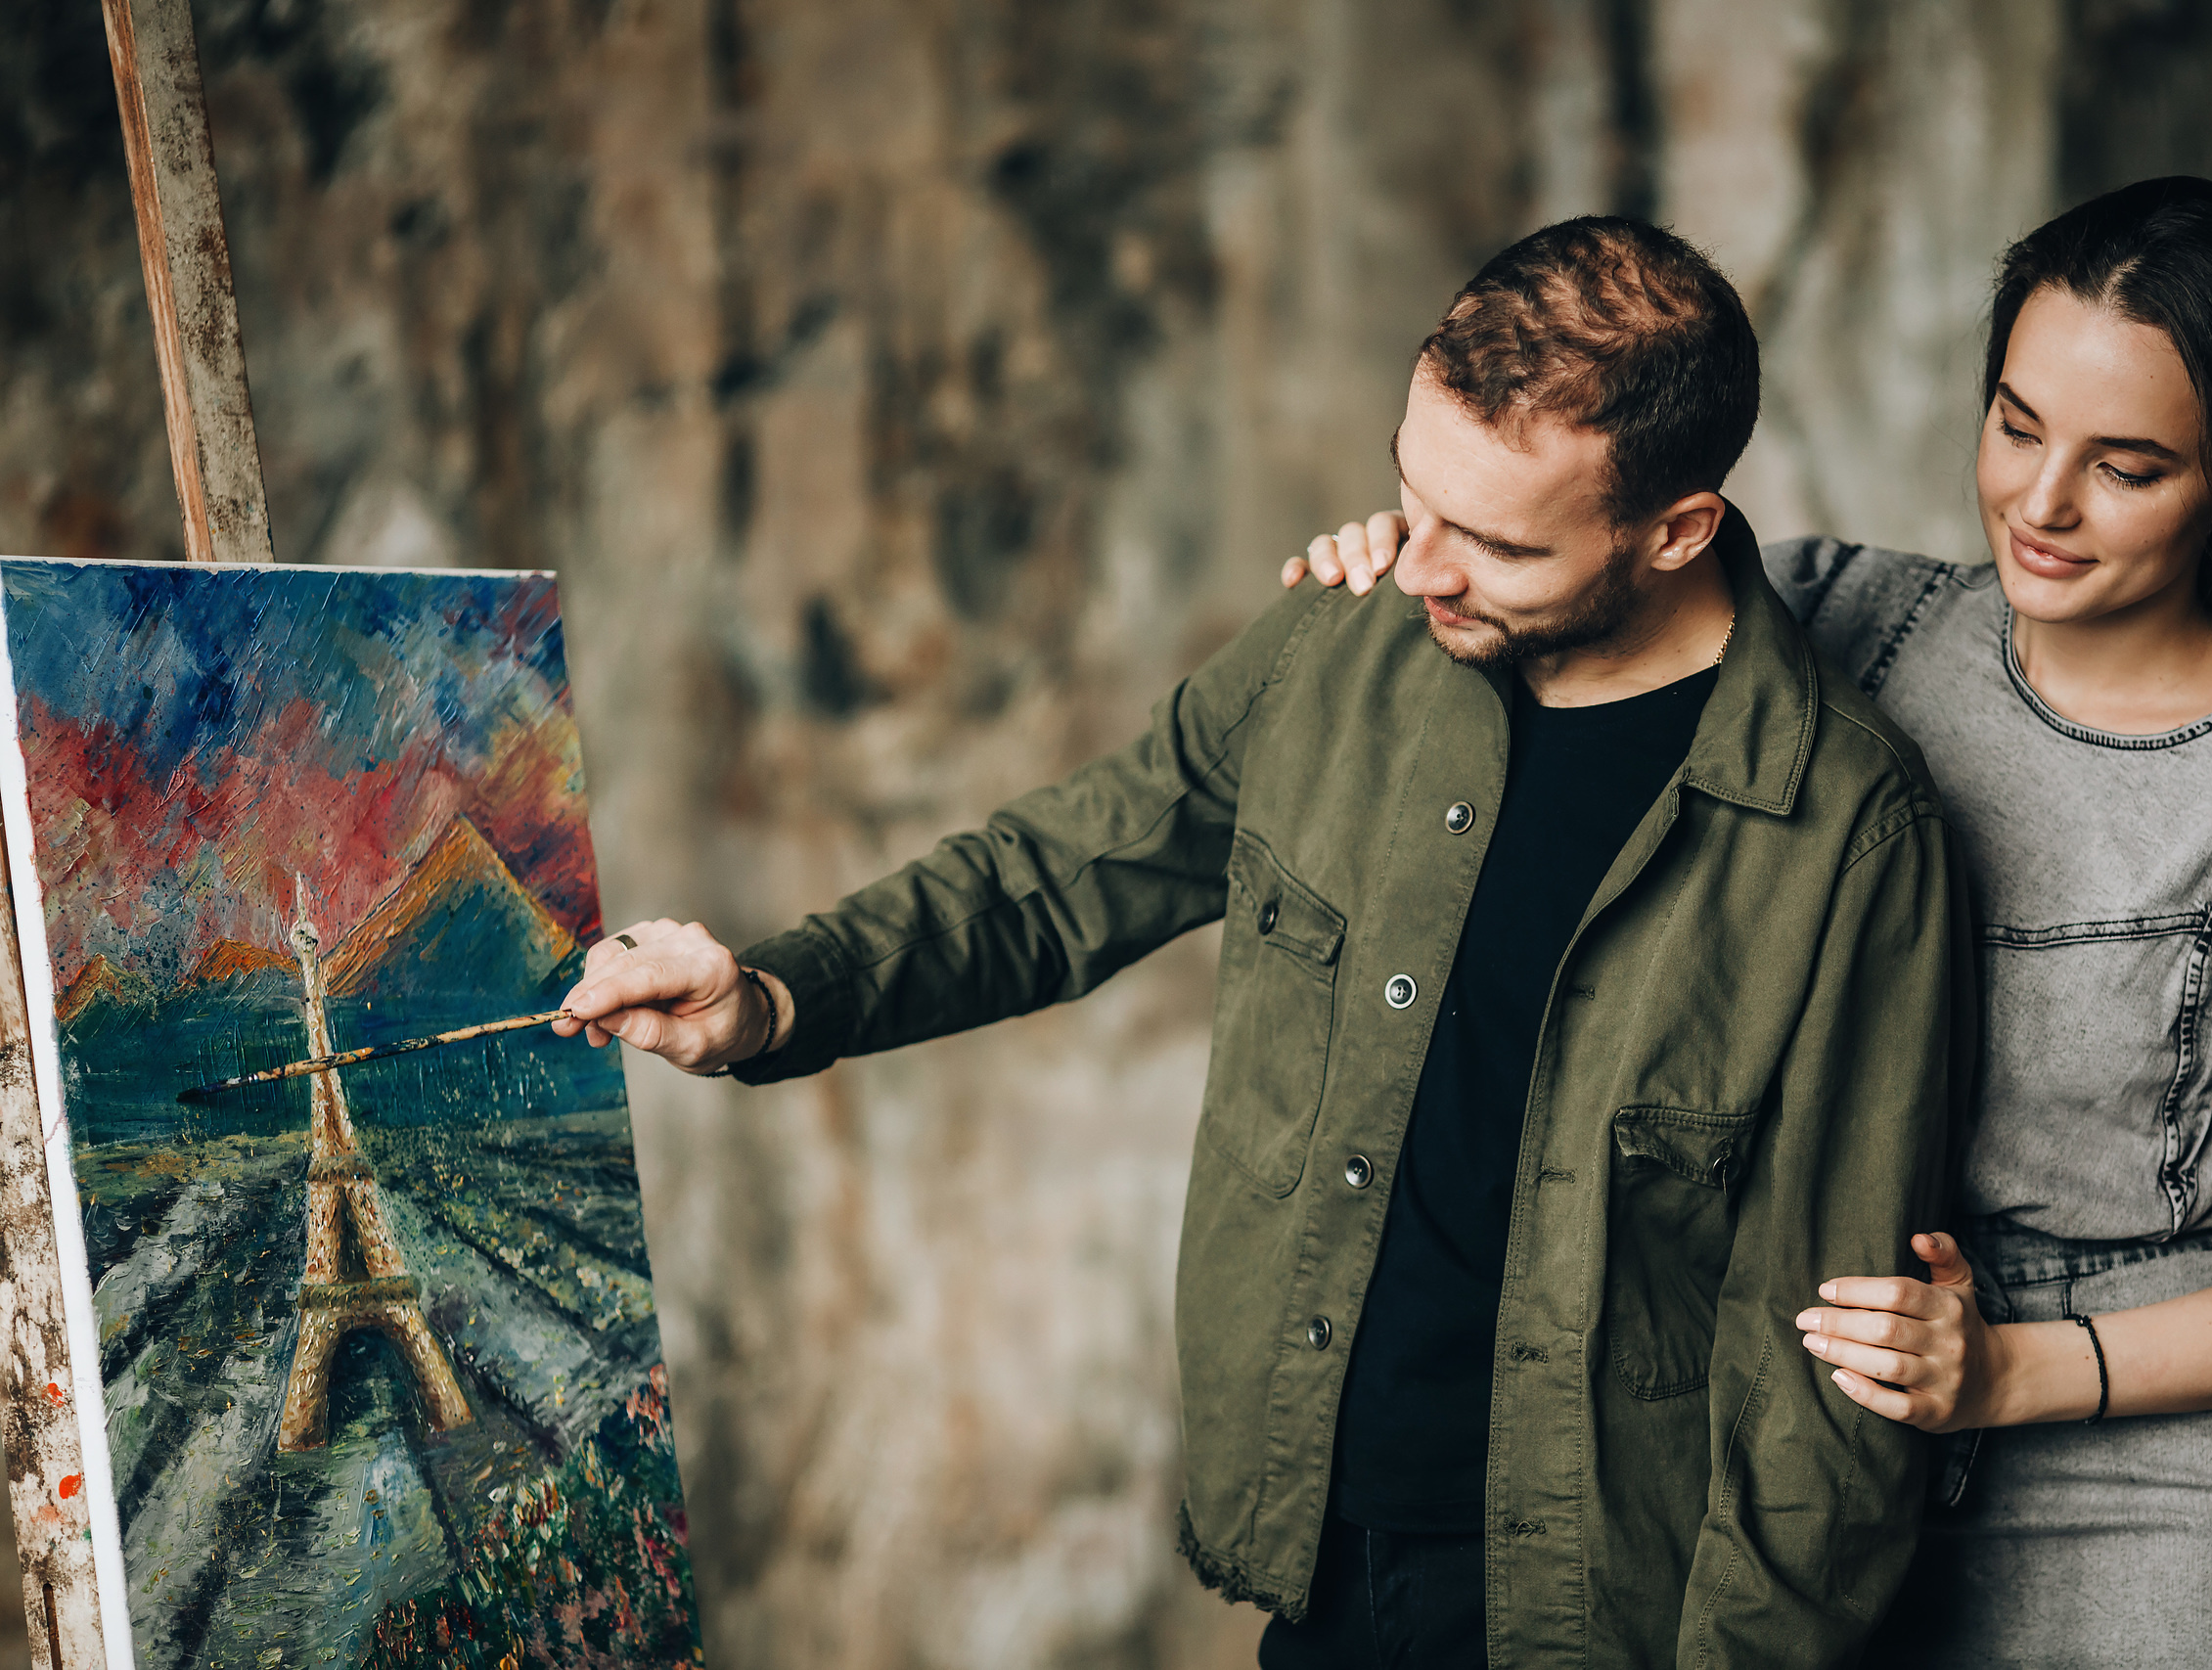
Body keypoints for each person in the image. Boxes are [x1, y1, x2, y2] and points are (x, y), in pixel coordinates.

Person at [559, 217, 1969, 1668]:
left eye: (1495, 542)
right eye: (1412, 494)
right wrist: (770, 997)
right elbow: (1060, 874)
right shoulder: (1343, 644)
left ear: (1676, 531)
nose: (1420, 569)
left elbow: (1827, 1373)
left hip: (1602, 1608)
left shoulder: (1844, 832)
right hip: (1323, 1546)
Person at [1288, 176, 2212, 1668]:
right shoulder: (1839, 623)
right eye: (2017, 426)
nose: (2042, 503)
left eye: (2127, 468)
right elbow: (1572, 638)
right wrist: (1435, 565)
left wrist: (2012, 1371)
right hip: (1815, 1479)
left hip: (2140, 1526)